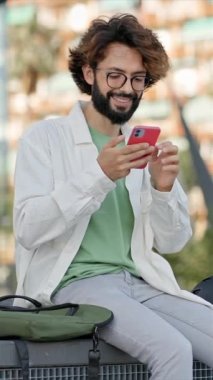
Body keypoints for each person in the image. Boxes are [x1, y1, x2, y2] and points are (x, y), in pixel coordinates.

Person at [13, 13, 213, 380]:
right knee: (173, 351)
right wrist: (100, 174)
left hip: (140, 281)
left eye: (138, 79)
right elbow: (27, 228)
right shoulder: (44, 139)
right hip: (74, 285)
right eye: (115, 75)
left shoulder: (142, 145)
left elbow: (173, 243)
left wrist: (163, 188)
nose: (127, 88)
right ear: (89, 74)